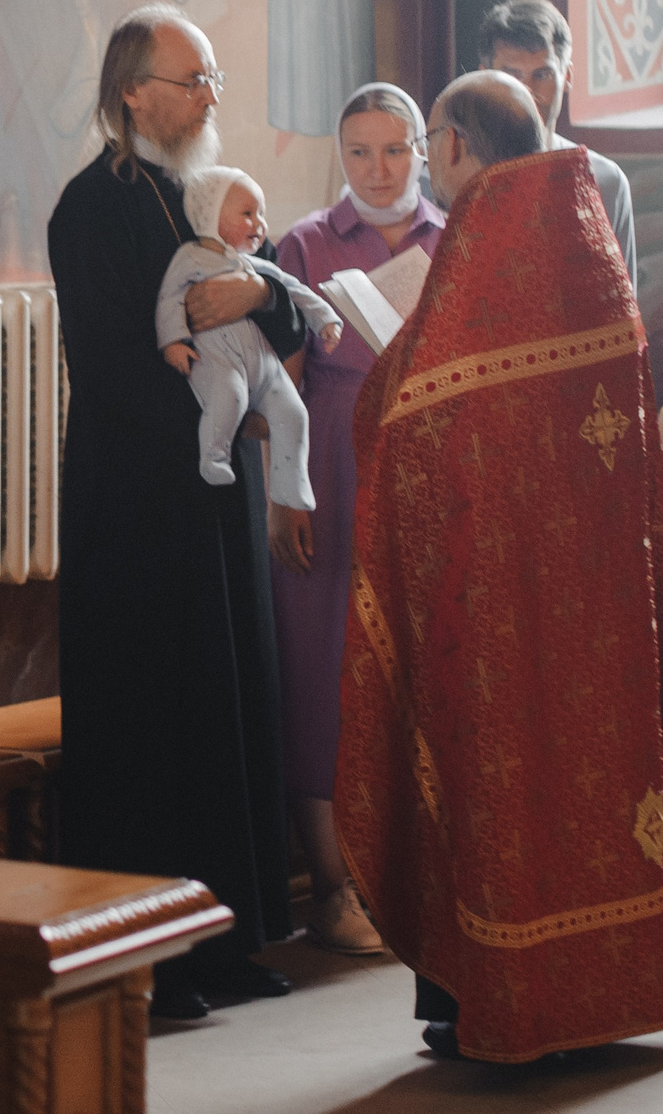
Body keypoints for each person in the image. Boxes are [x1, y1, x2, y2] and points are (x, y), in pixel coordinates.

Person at [338, 71, 663, 1063]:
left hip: (498, 595)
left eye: (431, 138)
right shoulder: (582, 243)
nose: (429, 157)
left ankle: (487, 1000)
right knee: (596, 782)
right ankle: (603, 995)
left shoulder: (488, 245)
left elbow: (423, 416)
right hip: (600, 596)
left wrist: (385, 390)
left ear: (463, 145)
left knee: (496, 781)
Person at [48, 1, 303, 1019]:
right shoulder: (90, 209)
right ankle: (141, 960)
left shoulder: (204, 201)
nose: (208, 95)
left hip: (214, 496)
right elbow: (109, 366)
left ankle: (225, 934)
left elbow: (284, 301)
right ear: (131, 92)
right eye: (191, 78)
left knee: (225, 707)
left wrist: (257, 306)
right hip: (138, 501)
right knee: (150, 722)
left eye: (212, 80)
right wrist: (222, 417)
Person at [270, 82, 444, 956]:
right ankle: (333, 889)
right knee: (320, 670)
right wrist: (285, 488)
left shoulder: (453, 239)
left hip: (424, 463)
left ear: (423, 149)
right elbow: (278, 381)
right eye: (360, 152)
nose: (378, 170)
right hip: (330, 463)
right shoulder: (303, 243)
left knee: (417, 666)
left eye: (395, 149)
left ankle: (416, 880)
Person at [156, 166, 341, 507]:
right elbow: (170, 298)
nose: (260, 224)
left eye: (261, 214)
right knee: (230, 397)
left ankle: (290, 482)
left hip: (263, 363)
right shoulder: (191, 258)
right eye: (247, 214)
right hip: (220, 358)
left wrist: (326, 319)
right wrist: (174, 342)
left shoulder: (256, 266)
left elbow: (296, 291)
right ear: (212, 217)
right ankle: (214, 458)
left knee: (294, 413)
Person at [476, 0, 637, 276]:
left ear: (567, 77)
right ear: (485, 78)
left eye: (542, 75)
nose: (526, 91)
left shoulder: (603, 181)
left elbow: (624, 310)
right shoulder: (462, 178)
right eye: (512, 75)